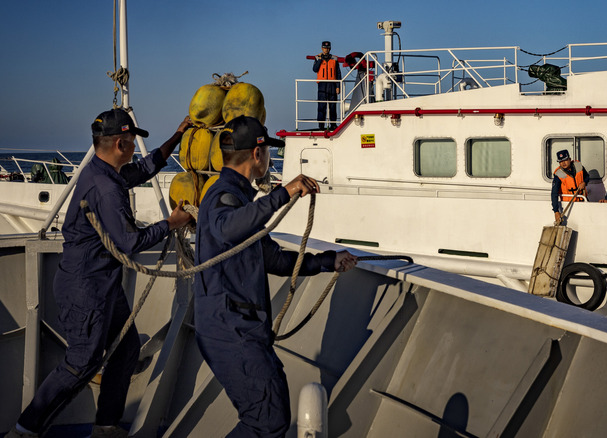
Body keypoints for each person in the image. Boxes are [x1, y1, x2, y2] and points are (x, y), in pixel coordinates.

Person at [6, 109, 193, 438]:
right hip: (86, 289)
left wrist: (178, 135)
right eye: (132, 141)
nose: (134, 147)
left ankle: (105, 426)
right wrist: (171, 223)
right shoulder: (106, 187)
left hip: (103, 285)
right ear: (120, 143)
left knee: (126, 349)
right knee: (81, 363)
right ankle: (24, 430)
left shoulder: (103, 170)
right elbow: (129, 243)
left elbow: (143, 169)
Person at [193, 115, 357, 437]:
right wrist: (284, 192)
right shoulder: (225, 197)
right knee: (267, 421)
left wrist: (328, 261)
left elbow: (275, 259)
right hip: (232, 330)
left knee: (273, 414)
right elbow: (226, 228)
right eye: (268, 151)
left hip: (240, 329)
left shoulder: (238, 199)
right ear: (258, 154)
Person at [551, 149, 589, 224]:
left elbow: (587, 176)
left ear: (569, 159)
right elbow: (554, 193)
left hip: (583, 200)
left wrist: (584, 182)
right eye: (560, 161)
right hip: (569, 205)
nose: (563, 163)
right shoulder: (558, 174)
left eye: (565, 160)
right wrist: (556, 211)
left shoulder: (578, 166)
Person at [312, 41, 342, 130]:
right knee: (322, 106)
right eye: (325, 48)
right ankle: (321, 125)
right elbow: (315, 69)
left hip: (332, 84)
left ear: (330, 48)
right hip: (322, 84)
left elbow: (338, 73)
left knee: (332, 106)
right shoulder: (317, 58)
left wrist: (338, 86)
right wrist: (320, 59)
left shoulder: (334, 59)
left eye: (328, 48)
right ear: (322, 48)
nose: (326, 50)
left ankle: (333, 124)